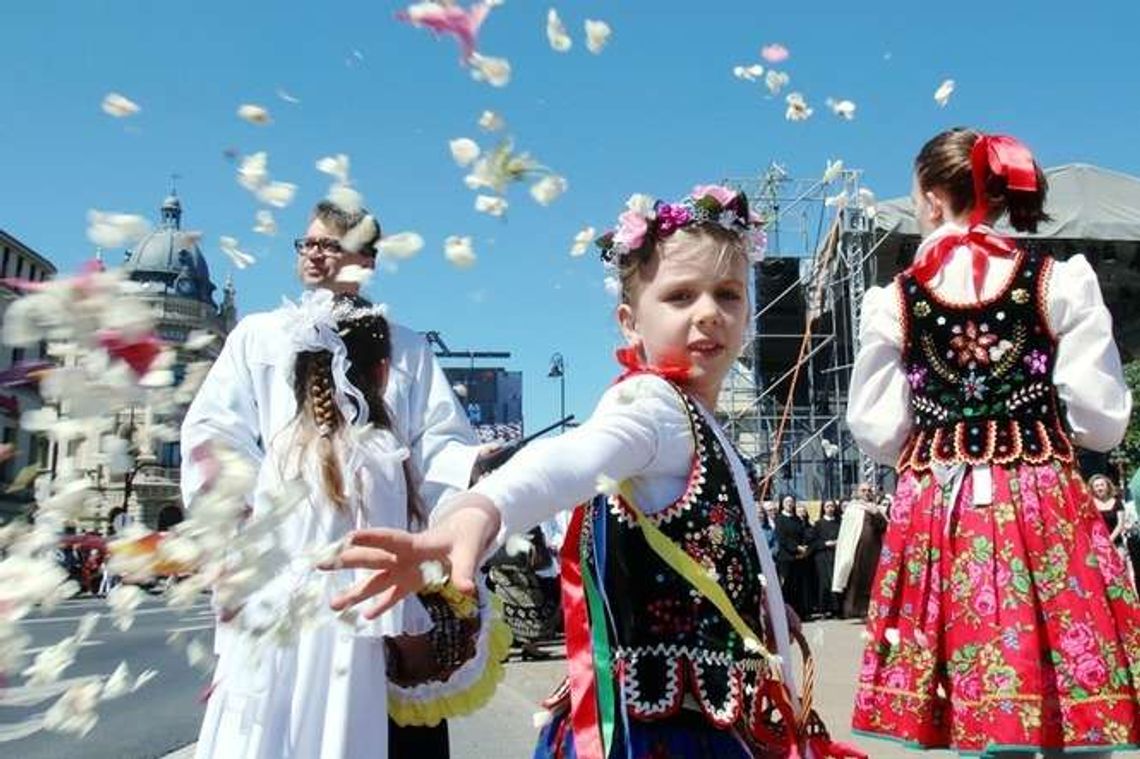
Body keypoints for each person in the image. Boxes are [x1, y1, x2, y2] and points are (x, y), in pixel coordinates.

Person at [323, 185, 860, 758]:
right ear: (630, 322)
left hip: (701, 715)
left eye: (728, 294)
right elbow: (575, 457)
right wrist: (482, 509)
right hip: (655, 732)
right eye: (680, 296)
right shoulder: (651, 407)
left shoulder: (700, 421)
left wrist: (764, 610)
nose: (709, 313)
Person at [846, 128, 1140, 756]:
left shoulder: (894, 301)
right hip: (1040, 493)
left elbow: (876, 429)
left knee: (966, 678)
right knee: (1058, 666)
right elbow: (1100, 421)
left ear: (930, 199)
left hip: (940, 500)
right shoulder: (1058, 281)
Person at [181, 201, 490, 758]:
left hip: (382, 575)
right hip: (288, 574)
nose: (313, 254)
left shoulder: (406, 347)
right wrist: (253, 527)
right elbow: (214, 435)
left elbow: (441, 448)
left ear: (365, 261)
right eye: (307, 244)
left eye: (329, 244)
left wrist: (459, 509)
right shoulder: (260, 336)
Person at [831, 483, 886, 620]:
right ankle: (855, 610)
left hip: (874, 550)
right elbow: (847, 533)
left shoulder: (876, 508)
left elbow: (884, 527)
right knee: (857, 580)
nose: (866, 493)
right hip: (857, 550)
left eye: (869, 490)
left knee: (873, 580)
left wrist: (876, 514)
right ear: (857, 492)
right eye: (863, 490)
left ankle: (871, 610)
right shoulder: (852, 509)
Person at [775, 494, 812, 618]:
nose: (790, 504)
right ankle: (787, 614)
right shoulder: (779, 519)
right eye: (787, 502)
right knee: (788, 587)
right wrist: (797, 548)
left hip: (799, 558)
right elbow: (782, 539)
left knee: (799, 587)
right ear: (782, 504)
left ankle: (800, 613)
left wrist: (804, 547)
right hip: (786, 558)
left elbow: (803, 535)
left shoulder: (797, 519)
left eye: (791, 502)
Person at [812, 500, 841, 618]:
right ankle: (823, 609)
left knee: (836, 582)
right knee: (824, 583)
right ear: (823, 508)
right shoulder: (818, 524)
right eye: (827, 506)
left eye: (832, 506)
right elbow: (814, 542)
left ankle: (836, 609)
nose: (830, 508)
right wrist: (825, 543)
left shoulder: (839, 523)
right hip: (822, 556)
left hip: (836, 555)